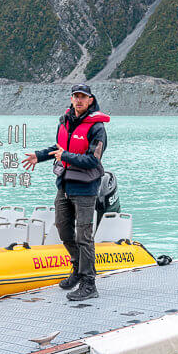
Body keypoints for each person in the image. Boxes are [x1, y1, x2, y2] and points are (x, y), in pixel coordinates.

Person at [23, 83, 109, 301]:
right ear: (71, 99)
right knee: (63, 230)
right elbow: (58, 148)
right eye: (75, 96)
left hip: (86, 188)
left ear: (90, 100)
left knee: (84, 236)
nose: (79, 100)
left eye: (83, 97)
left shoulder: (97, 128)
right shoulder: (65, 121)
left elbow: (93, 159)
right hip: (64, 185)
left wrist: (66, 157)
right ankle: (77, 269)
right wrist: (39, 155)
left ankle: (89, 283)